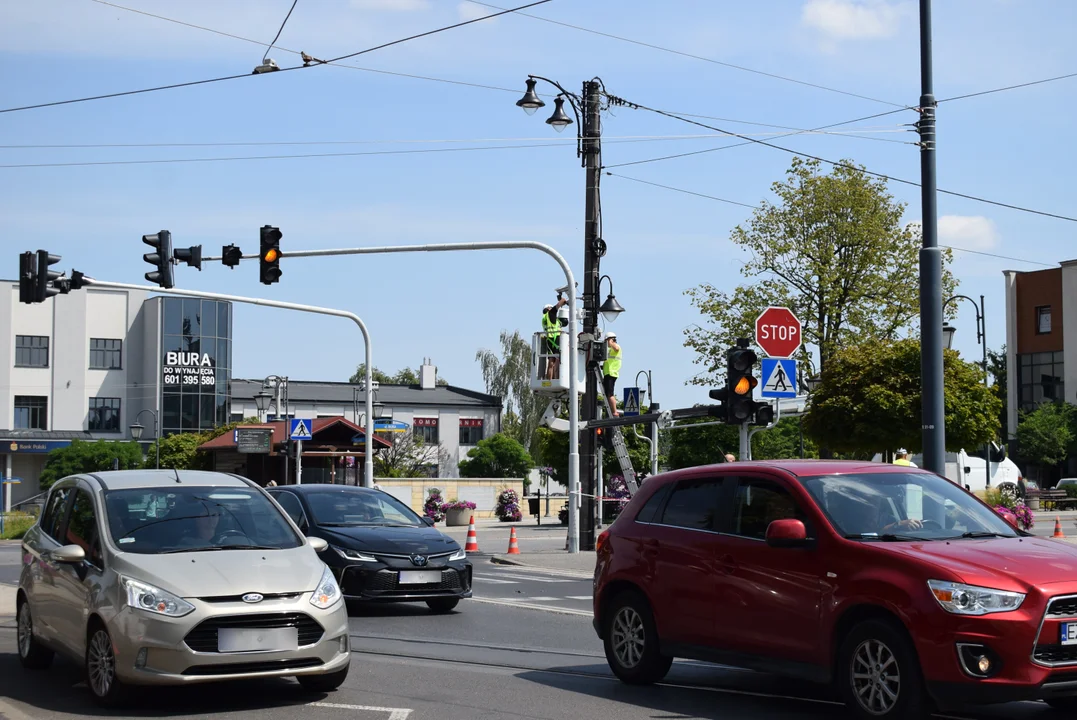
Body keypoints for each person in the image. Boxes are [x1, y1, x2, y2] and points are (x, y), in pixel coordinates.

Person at [542, 296, 568, 380]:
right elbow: (560, 303)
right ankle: (556, 379)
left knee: (551, 361)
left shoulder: (545, 318)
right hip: (555, 339)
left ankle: (549, 380)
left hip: (549, 340)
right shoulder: (551, 313)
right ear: (548, 309)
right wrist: (563, 300)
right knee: (557, 361)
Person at [603, 331, 622, 416]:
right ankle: (611, 410)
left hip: (611, 373)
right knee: (607, 393)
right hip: (608, 373)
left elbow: (616, 348)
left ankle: (614, 412)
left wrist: (611, 341)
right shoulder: (610, 350)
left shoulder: (616, 347)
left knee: (610, 394)